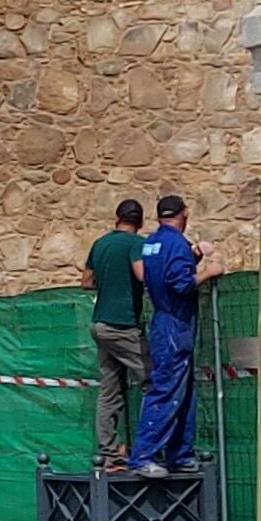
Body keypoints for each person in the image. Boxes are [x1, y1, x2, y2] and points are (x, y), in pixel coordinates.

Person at [132, 194, 207, 471]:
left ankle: (181, 453)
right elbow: (181, 283)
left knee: (184, 390)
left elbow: (164, 273)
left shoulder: (151, 242)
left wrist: (193, 256)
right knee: (166, 390)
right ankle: (144, 456)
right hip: (176, 324)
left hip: (163, 321)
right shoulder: (176, 242)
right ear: (184, 215)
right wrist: (209, 272)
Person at [84, 197, 149, 468]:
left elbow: (87, 282)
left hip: (99, 324)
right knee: (154, 381)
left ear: (116, 219)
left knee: (110, 389)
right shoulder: (137, 244)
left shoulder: (100, 244)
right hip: (123, 325)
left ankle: (109, 453)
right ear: (141, 222)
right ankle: (149, 448)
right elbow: (143, 274)